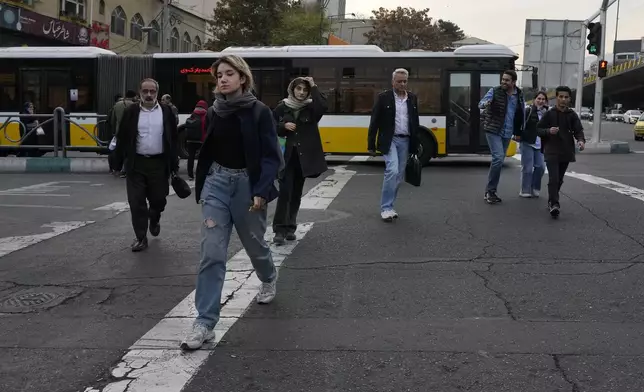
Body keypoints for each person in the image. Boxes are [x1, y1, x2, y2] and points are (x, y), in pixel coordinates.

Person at [181, 55, 281, 350]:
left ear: (242, 78)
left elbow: (271, 155)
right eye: (219, 75)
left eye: (228, 74)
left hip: (247, 186)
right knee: (211, 251)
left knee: (254, 243)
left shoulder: (260, 111)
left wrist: (261, 190)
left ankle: (268, 277)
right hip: (216, 184)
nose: (222, 79)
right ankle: (205, 322)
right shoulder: (214, 111)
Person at [113, 79, 179, 251]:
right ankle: (141, 237)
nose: (149, 95)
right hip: (136, 164)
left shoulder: (166, 111)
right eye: (145, 91)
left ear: (157, 92)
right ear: (139, 92)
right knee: (136, 203)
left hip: (159, 164)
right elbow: (123, 137)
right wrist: (116, 162)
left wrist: (174, 164)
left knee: (159, 199)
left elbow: (173, 139)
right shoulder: (131, 111)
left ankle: (155, 216)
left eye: (152, 91)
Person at [272, 76, 328, 244]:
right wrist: (283, 126)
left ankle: (290, 227)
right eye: (299, 89)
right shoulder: (282, 107)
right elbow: (269, 127)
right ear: (292, 89)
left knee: (296, 193)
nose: (302, 93)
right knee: (285, 193)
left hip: (303, 159)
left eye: (305, 90)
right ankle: (279, 230)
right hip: (286, 158)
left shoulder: (311, 108)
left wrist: (314, 85)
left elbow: (323, 106)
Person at [367, 68, 420, 222]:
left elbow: (415, 122)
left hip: (406, 140)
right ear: (393, 82)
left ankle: (390, 206)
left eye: (405, 81)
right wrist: (371, 144)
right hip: (389, 140)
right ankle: (386, 208)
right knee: (392, 169)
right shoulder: (383, 98)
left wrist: (415, 145)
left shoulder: (412, 98)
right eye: (399, 81)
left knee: (398, 176)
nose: (402, 84)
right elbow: (374, 121)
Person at [536, 85, 585, 218]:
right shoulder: (549, 114)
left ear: (569, 99)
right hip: (551, 150)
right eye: (561, 97)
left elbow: (578, 130)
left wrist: (581, 140)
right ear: (556, 98)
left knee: (559, 179)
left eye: (566, 97)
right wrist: (548, 131)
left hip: (566, 151)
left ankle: (551, 200)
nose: (563, 99)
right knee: (554, 178)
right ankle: (554, 204)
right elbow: (538, 130)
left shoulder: (572, 115)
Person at [479, 70, 525, 204]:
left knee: (499, 160)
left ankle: (490, 190)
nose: (503, 82)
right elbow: (481, 104)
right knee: (498, 158)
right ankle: (490, 191)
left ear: (514, 82)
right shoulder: (495, 91)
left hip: (507, 132)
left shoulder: (519, 95)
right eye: (503, 79)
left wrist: (519, 131)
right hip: (493, 129)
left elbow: (520, 113)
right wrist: (485, 104)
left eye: (507, 80)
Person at [515, 91, 548, 197]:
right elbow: (518, 122)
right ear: (534, 100)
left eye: (543, 99)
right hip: (527, 142)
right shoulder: (528, 111)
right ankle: (524, 190)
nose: (541, 101)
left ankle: (535, 187)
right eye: (539, 98)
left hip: (540, 144)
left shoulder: (547, 113)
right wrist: (517, 135)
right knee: (528, 168)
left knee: (541, 167)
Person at [107, 90, 137, 177]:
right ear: (133, 96)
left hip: (119, 132)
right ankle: (127, 170)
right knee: (129, 152)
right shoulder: (135, 105)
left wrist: (114, 131)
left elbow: (113, 120)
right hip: (131, 132)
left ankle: (117, 169)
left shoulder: (117, 105)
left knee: (119, 151)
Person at [181, 100, 209, 180]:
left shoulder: (193, 115)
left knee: (191, 158)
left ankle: (190, 175)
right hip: (201, 141)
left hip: (190, 140)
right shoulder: (205, 115)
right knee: (202, 158)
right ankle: (201, 173)